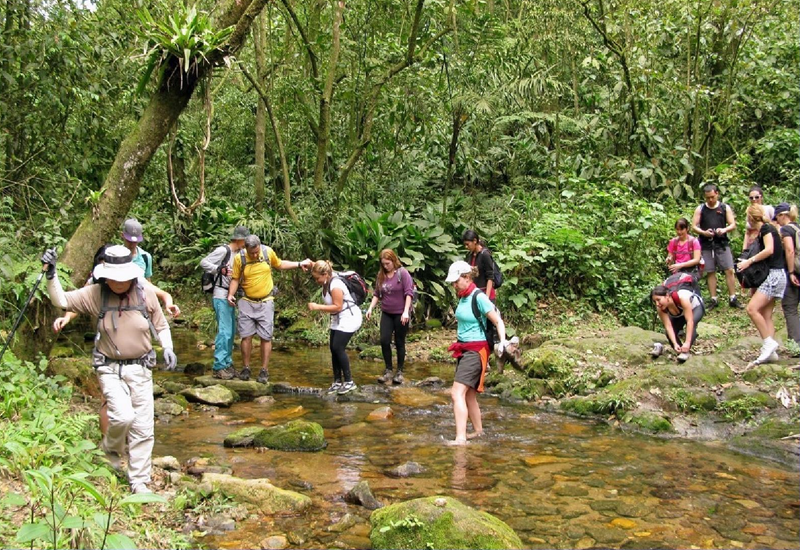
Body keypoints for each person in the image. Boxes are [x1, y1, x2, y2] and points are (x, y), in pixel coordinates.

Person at [42, 245, 177, 495]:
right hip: (109, 368)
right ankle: (112, 450)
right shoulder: (96, 293)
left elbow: (160, 324)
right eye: (112, 277)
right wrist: (51, 275)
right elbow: (60, 300)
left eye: (122, 277)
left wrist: (167, 347)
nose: (117, 282)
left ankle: (139, 481)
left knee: (144, 428)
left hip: (141, 367)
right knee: (123, 416)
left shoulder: (144, 292)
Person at [52, 244, 180, 437]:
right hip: (107, 353)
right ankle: (110, 446)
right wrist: (66, 316)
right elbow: (72, 302)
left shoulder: (141, 287)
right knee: (109, 402)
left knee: (132, 411)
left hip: (138, 361)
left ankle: (125, 443)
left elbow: (161, 303)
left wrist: (167, 342)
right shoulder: (96, 287)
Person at [227, 235, 311, 383]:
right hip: (246, 301)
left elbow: (279, 264)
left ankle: (264, 371)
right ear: (246, 249)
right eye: (252, 253)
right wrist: (230, 295)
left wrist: (299, 264)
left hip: (266, 301)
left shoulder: (267, 253)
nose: (254, 255)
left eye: (256, 252)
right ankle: (246, 368)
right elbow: (235, 278)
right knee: (246, 336)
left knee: (266, 337)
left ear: (259, 247)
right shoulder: (240, 258)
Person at [445, 261, 507, 446]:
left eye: (456, 281)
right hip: (464, 349)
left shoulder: (478, 297)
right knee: (469, 394)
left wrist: (502, 342)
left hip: (476, 350)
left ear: (466, 277)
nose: (454, 285)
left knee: (456, 393)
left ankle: (461, 438)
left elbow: (498, 321)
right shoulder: (463, 297)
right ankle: (478, 431)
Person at [737, 204, 786, 365]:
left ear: (751, 218)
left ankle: (768, 343)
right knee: (766, 315)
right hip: (778, 275)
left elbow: (769, 250)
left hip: (774, 276)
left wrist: (749, 261)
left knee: (751, 309)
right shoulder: (770, 228)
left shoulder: (766, 229)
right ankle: (770, 352)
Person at [200, 226, 249, 380]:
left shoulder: (239, 253)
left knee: (231, 332)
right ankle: (219, 366)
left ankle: (227, 363)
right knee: (225, 332)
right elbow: (203, 262)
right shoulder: (224, 251)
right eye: (245, 241)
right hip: (221, 295)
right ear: (239, 239)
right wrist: (218, 269)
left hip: (230, 295)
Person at [307, 261, 363, 394]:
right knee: (333, 348)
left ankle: (349, 382)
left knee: (338, 347)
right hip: (338, 318)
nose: (316, 281)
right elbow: (321, 265)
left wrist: (317, 307)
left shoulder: (336, 285)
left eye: (317, 278)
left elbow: (338, 306)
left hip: (349, 317)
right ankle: (337, 382)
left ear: (325, 274)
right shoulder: (327, 279)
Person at [365, 249, 414, 385]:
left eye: (388, 263)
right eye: (383, 264)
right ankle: (388, 370)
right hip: (386, 312)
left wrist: (405, 312)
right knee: (384, 340)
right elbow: (377, 293)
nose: (386, 266)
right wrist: (370, 308)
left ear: (393, 261)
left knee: (399, 342)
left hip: (400, 313)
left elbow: (409, 293)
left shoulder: (402, 273)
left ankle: (399, 371)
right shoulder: (381, 275)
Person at [691, 184, 742, 309]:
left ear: (717, 194)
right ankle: (713, 299)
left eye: (712, 197)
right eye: (707, 198)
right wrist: (703, 232)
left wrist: (723, 230)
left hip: (722, 243)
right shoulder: (701, 208)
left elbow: (732, 224)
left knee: (729, 269)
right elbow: (694, 226)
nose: (710, 200)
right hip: (706, 244)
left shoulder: (724, 207)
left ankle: (733, 297)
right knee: (710, 271)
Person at [650, 284, 705, 363]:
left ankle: (685, 351)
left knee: (692, 324)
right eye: (655, 301)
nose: (657, 304)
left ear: (667, 296)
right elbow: (668, 327)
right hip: (680, 313)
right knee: (669, 333)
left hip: (696, 307)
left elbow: (690, 322)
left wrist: (687, 342)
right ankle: (680, 350)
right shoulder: (660, 308)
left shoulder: (682, 298)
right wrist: (675, 344)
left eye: (658, 300)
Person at [774, 203, 799, 346]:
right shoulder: (798, 227)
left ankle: (796, 345)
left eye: (777, 218)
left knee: (790, 307)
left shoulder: (786, 229)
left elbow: (789, 250)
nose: (777, 222)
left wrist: (790, 273)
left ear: (783, 215)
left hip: (794, 273)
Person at [462, 229, 496, 302]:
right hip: (475, 294)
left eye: (467, 244)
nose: (466, 247)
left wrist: (486, 299)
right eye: (465, 244)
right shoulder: (470, 255)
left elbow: (490, 278)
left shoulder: (485, 255)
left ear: (475, 241)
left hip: (486, 295)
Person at [743, 186, 775, 251]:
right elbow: (747, 232)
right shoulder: (749, 211)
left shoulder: (768, 209)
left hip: (765, 242)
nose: (754, 199)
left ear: (761, 197)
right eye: (751, 198)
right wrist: (744, 249)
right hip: (752, 244)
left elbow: (775, 226)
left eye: (757, 197)